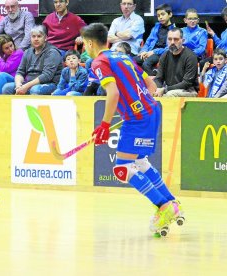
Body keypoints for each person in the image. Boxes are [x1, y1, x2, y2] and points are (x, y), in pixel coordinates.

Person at [81, 23, 182, 233]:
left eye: (83, 44)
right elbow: (151, 84)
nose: (84, 48)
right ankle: (172, 203)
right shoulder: (123, 56)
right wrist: (139, 104)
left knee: (123, 168)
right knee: (140, 162)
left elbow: (114, 93)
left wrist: (105, 125)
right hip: (151, 111)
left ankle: (163, 206)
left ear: (90, 43)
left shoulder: (98, 62)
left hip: (137, 118)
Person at [2, 25, 63, 95]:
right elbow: (20, 72)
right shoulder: (27, 52)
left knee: (35, 90)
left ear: (45, 38)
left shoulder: (52, 52)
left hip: (50, 84)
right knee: (7, 88)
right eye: (33, 36)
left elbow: (47, 76)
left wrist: (26, 86)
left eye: (39, 36)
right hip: (29, 84)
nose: (36, 39)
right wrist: (18, 85)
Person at [153, 28, 198, 97]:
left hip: (189, 91)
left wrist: (165, 90)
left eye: (176, 39)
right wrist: (158, 89)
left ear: (182, 40)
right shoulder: (164, 55)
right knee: (151, 93)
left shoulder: (191, 56)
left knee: (170, 94)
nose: (172, 42)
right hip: (169, 89)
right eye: (170, 39)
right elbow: (158, 78)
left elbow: (186, 83)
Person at [134, 3, 175, 76]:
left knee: (146, 64)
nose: (160, 17)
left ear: (170, 14)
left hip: (161, 54)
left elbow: (169, 48)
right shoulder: (155, 28)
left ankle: (155, 83)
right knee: (132, 61)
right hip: (150, 52)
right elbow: (148, 42)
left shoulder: (174, 30)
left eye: (162, 14)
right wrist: (143, 51)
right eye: (158, 15)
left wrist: (153, 52)